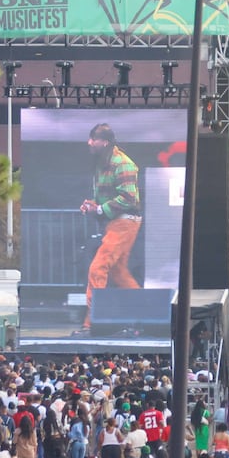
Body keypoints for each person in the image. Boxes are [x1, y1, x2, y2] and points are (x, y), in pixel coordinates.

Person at [79, 122, 143, 332]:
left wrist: (99, 210)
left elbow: (128, 198)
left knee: (98, 267)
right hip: (119, 222)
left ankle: (92, 322)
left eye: (93, 138)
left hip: (124, 222)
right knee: (118, 272)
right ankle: (144, 316)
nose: (89, 142)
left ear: (104, 142)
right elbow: (111, 199)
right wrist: (93, 205)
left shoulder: (122, 163)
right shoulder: (104, 162)